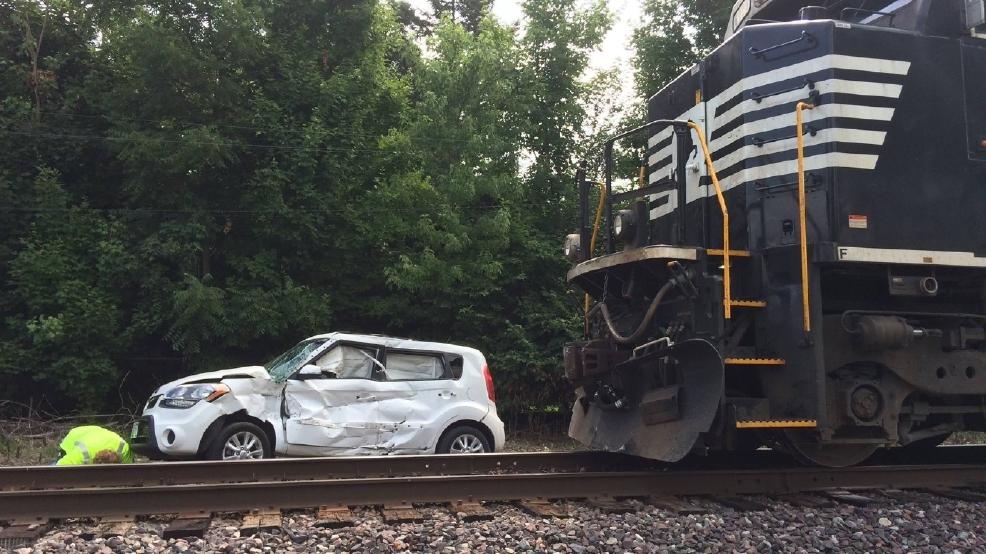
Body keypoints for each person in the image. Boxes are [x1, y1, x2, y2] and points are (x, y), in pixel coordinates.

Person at [52, 425, 134, 466]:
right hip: (75, 435)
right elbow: (59, 468)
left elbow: (130, 473)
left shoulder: (124, 450)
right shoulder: (81, 454)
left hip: (96, 434)